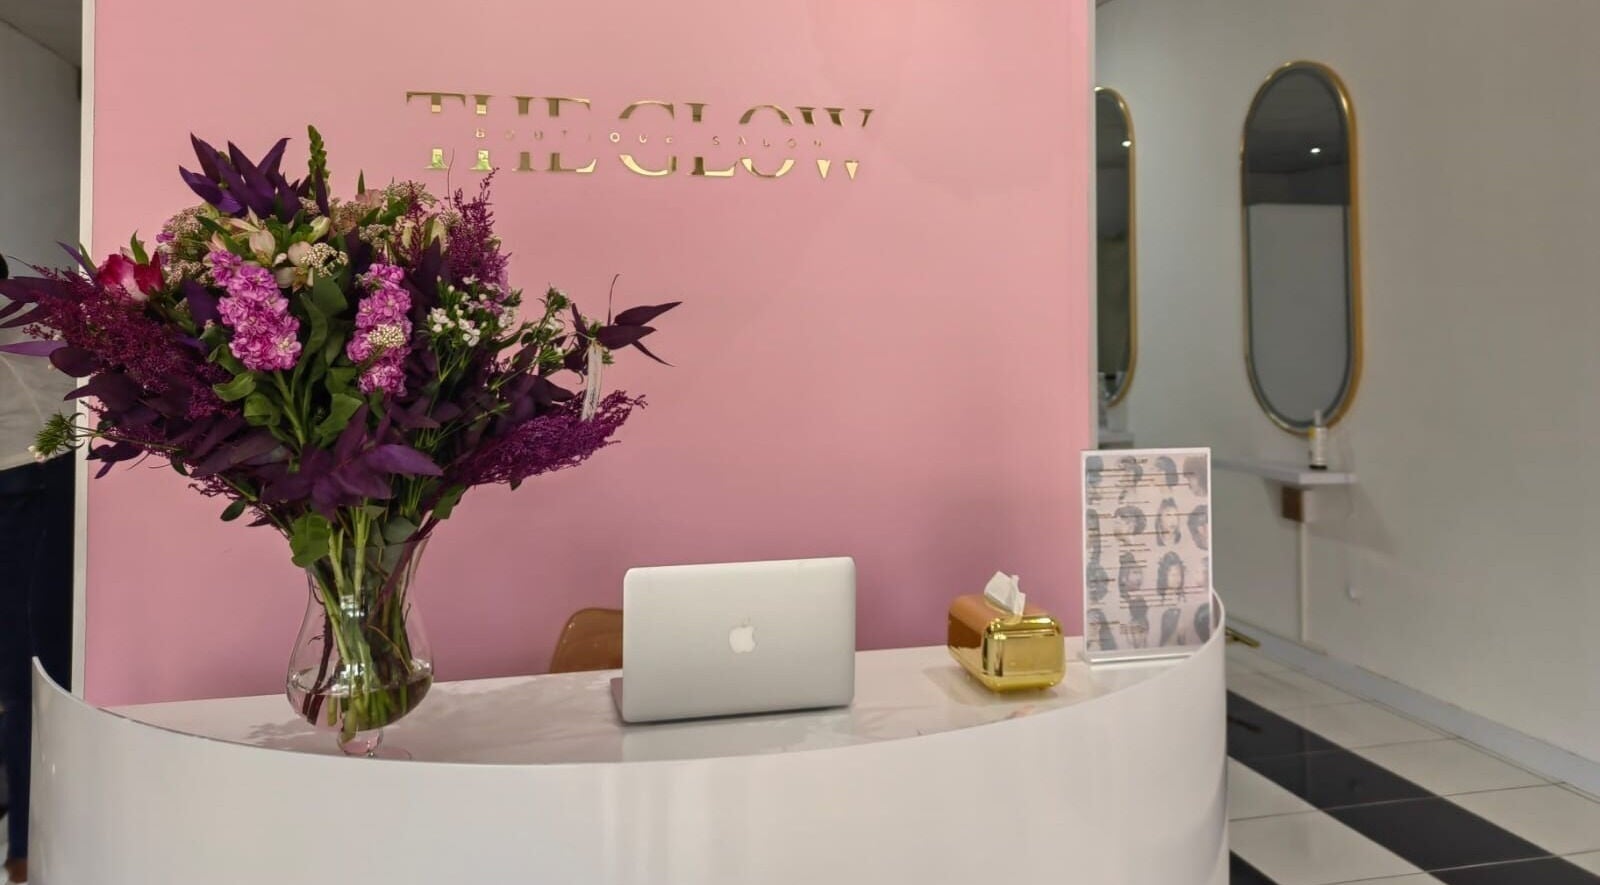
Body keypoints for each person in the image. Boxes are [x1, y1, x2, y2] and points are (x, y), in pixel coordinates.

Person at [0, 252, 76, 885]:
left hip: (36, 485)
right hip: (41, 481)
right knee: (25, 676)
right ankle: (24, 846)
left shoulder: (43, 330)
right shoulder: (44, 325)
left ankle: (26, 849)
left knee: (27, 673)